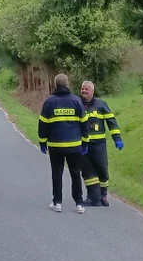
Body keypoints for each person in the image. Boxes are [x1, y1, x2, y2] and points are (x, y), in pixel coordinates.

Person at [37, 73, 90, 213]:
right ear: (67, 85)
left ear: (55, 85)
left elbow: (43, 124)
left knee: (57, 173)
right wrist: (85, 143)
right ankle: (79, 204)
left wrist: (43, 142)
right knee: (75, 173)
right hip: (74, 146)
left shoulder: (49, 102)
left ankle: (57, 202)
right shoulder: (77, 101)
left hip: (56, 146)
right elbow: (84, 124)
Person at [79, 79, 123, 207]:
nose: (84, 91)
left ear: (92, 91)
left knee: (102, 170)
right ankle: (92, 197)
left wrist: (117, 138)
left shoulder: (101, 104)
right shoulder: (77, 104)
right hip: (83, 145)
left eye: (86, 89)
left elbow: (111, 122)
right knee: (87, 172)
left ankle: (103, 196)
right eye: (82, 89)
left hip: (98, 145)